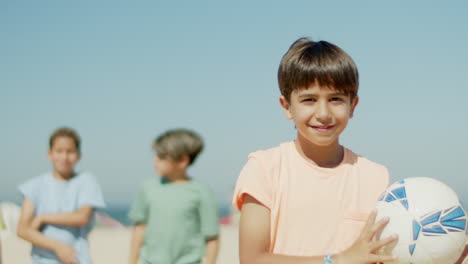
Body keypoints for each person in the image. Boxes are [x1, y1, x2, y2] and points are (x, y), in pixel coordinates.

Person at [232, 38, 399, 264]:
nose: (323, 113)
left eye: (336, 99)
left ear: (353, 106)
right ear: (287, 107)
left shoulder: (376, 177)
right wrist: (337, 260)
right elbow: (252, 259)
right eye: (309, 99)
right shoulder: (264, 169)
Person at [128, 129, 219, 264]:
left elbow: (212, 237)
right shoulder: (147, 188)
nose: (155, 159)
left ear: (183, 161)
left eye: (162, 157)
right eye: (156, 155)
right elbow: (139, 229)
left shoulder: (202, 191)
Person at [17, 127, 106, 264]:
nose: (64, 157)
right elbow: (23, 230)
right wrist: (58, 247)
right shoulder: (34, 186)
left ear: (78, 155)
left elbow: (82, 217)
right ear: (50, 154)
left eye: (69, 152)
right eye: (59, 151)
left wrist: (43, 217)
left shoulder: (87, 181)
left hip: (78, 259)